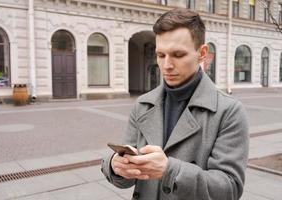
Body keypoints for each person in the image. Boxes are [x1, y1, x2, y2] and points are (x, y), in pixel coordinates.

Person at [101, 8, 249, 200]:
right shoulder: (143, 104)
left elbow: (229, 189)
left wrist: (169, 170)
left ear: (202, 53)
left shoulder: (229, 111)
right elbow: (126, 178)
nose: (167, 65)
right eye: (161, 55)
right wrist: (115, 165)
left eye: (178, 55)